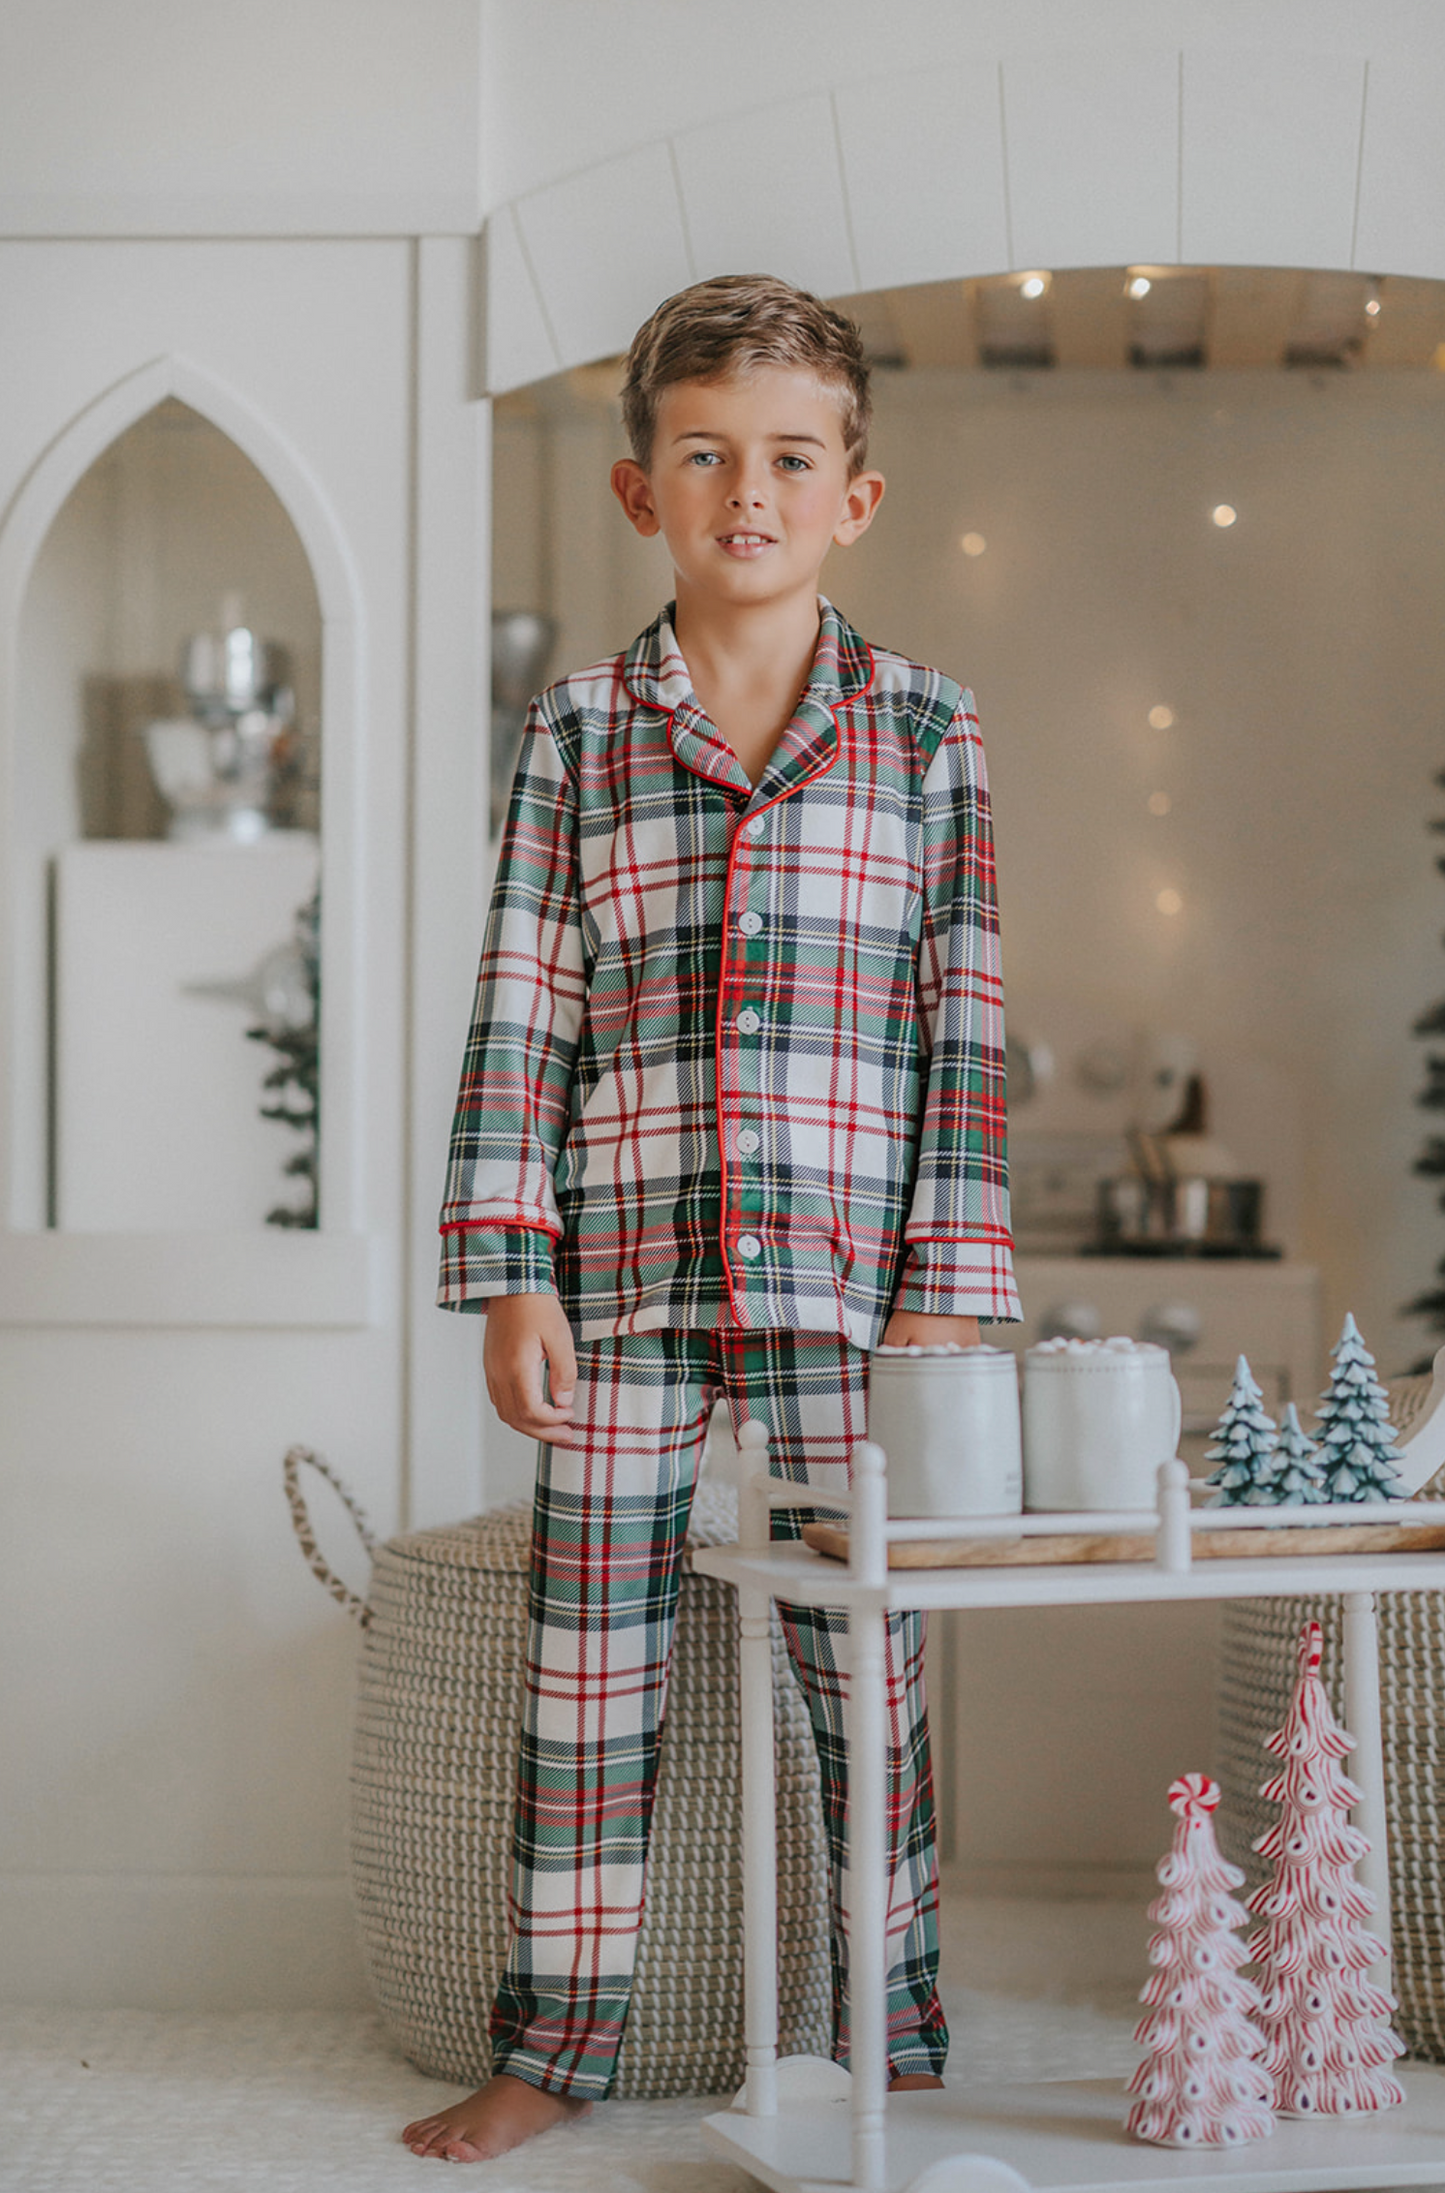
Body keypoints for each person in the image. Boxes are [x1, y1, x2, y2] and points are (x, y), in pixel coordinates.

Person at [403, 272, 1020, 2164]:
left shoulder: (927, 733)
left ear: (857, 495)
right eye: (703, 453)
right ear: (637, 490)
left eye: (788, 457)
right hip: (627, 1281)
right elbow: (528, 1005)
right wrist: (511, 1272)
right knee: (591, 1679)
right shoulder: (579, 736)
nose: (745, 489)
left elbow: (964, 1021)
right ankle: (554, 2048)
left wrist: (950, 1289)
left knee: (869, 1674)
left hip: (852, 1297)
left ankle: (890, 2025)